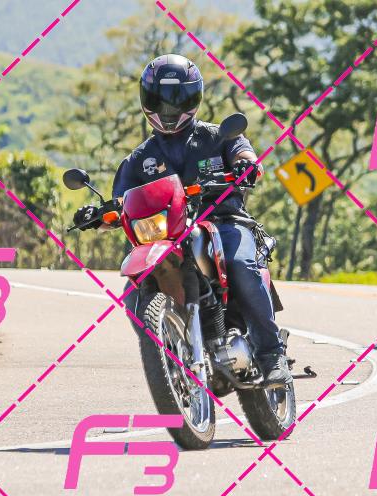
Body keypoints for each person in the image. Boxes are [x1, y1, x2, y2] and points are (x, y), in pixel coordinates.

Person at [73, 54, 292, 387]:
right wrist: (96, 215)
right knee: (133, 293)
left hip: (224, 221)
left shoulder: (218, 136)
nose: (168, 108)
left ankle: (272, 355)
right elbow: (119, 205)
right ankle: (170, 359)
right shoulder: (138, 159)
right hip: (166, 235)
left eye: (177, 99)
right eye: (160, 99)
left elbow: (245, 154)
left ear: (194, 98)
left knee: (240, 265)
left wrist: (247, 165)